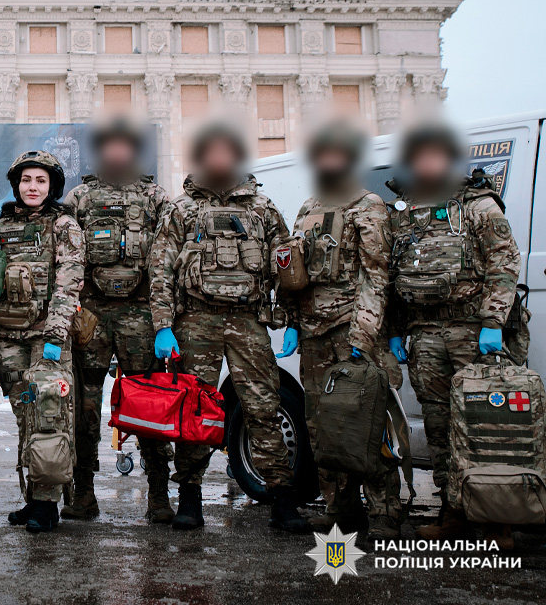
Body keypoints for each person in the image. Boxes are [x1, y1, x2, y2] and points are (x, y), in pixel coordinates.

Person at [149, 120, 311, 534]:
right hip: (195, 323)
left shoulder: (261, 208)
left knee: (263, 408)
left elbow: (287, 268)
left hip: (247, 322)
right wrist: (163, 326)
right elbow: (161, 270)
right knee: (194, 411)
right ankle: (190, 497)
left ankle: (281, 497)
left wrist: (290, 320)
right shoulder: (181, 210)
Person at [386, 121, 521, 547]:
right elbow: (391, 275)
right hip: (425, 334)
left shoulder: (478, 207)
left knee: (485, 421)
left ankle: (499, 518)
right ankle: (454, 511)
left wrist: (493, 322)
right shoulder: (405, 212)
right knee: (440, 424)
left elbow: (504, 266)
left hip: (471, 329)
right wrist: (393, 330)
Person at [275, 120, 404, 540]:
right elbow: (293, 272)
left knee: (367, 420)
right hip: (313, 334)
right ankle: (340, 512)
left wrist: (362, 334)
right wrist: (292, 321)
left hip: (352, 330)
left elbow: (377, 275)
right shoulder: (309, 207)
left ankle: (385, 511)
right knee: (322, 425)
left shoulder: (368, 205)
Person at [61, 116, 174, 522]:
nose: (116, 152)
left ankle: (159, 495)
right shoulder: (80, 198)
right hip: (92, 315)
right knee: (85, 406)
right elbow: (65, 256)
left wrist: (164, 323)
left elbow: (166, 262)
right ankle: (83, 492)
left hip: (140, 316)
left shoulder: (156, 197)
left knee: (149, 405)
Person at [0, 150, 83, 534]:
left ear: (52, 186)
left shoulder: (63, 226)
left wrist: (56, 335)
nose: (32, 187)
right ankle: (34, 498)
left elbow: (69, 282)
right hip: (9, 338)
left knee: (49, 417)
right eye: (27, 180)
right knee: (25, 417)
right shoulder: (0, 227)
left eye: (40, 181)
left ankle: (47, 504)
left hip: (47, 338)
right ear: (17, 184)